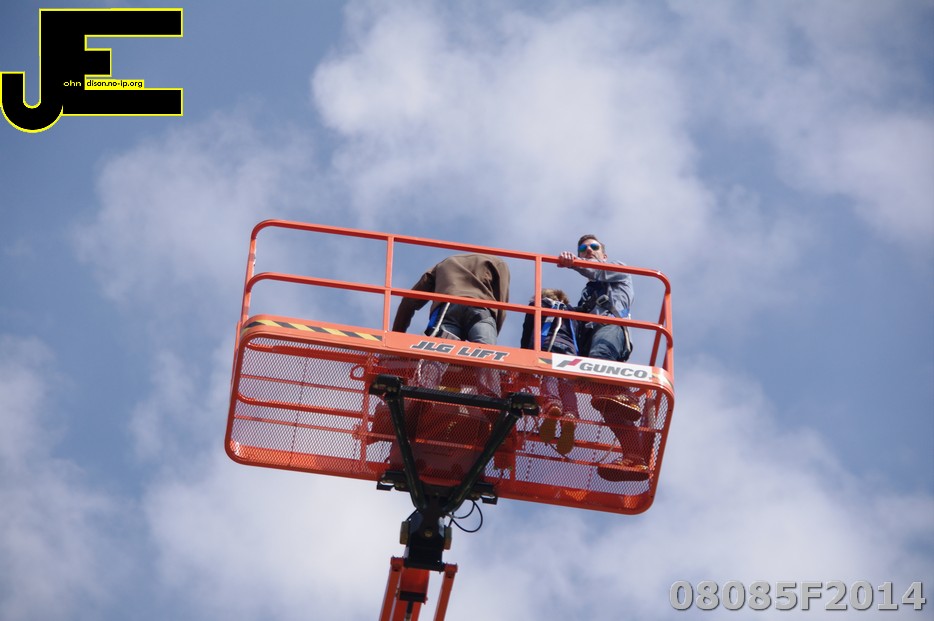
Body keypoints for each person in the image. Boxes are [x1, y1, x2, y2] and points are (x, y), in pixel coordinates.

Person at [558, 234, 646, 481]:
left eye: (593, 247)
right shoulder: (588, 293)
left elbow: (597, 271)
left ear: (603, 254)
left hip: (610, 327)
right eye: (583, 248)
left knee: (600, 359)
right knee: (606, 405)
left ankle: (627, 397)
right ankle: (634, 457)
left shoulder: (618, 270)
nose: (588, 250)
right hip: (590, 338)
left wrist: (574, 263)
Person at [520, 288, 579, 455]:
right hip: (569, 349)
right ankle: (570, 415)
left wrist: (524, 360)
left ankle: (552, 404)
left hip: (546, 343)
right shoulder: (572, 312)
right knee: (567, 384)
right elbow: (579, 335)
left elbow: (527, 330)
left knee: (549, 376)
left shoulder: (538, 305)